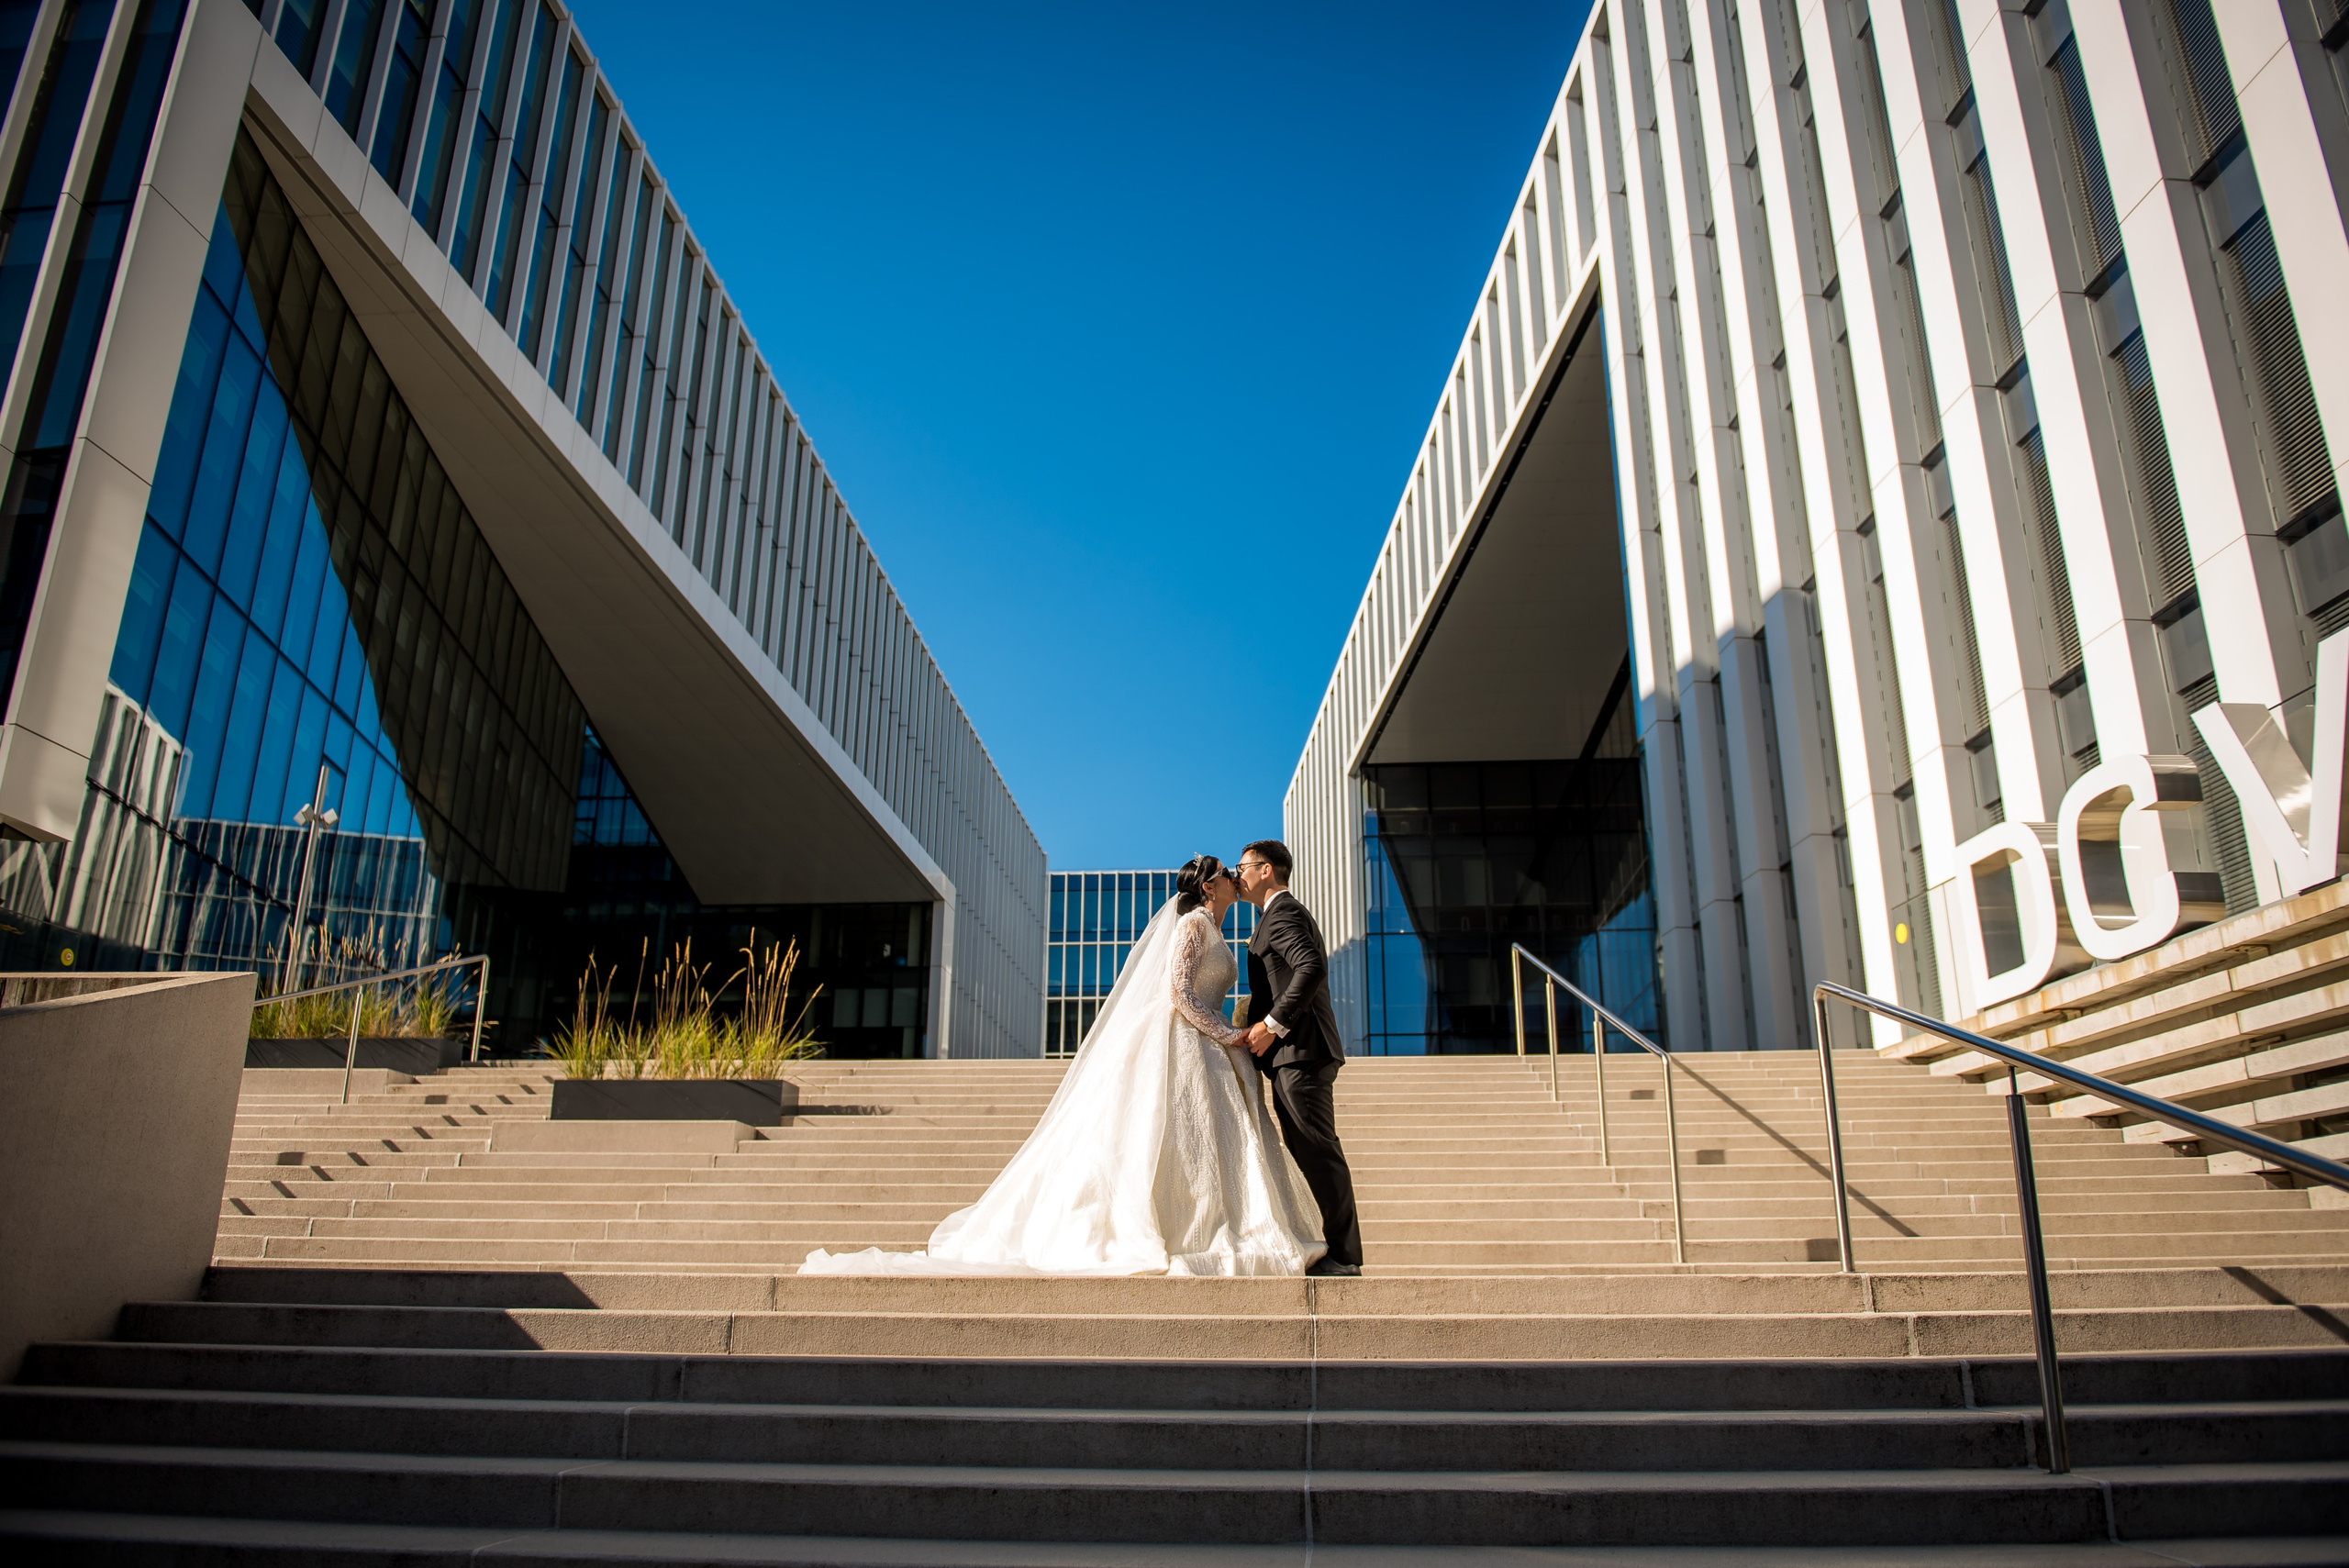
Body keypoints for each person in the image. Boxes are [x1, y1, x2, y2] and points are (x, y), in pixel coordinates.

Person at [800, 855, 1326, 1276]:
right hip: (1187, 1041)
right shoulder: (1192, 924)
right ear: (1209, 887)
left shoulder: (1218, 929)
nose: (1235, 877)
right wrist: (1231, 1034)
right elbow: (1179, 995)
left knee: (1204, 1145)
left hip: (1210, 1046)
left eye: (1238, 870)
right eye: (1227, 873)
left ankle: (1207, 1224)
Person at [1232, 839, 1364, 1276]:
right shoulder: (1274, 917)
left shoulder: (1283, 912)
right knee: (1308, 1149)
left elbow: (1310, 967)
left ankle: (1344, 1256)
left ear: (1266, 869)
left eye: (1242, 867)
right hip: (1293, 1054)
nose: (1238, 875)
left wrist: (1271, 1025)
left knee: (1318, 1150)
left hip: (1301, 1052)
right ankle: (1337, 1250)